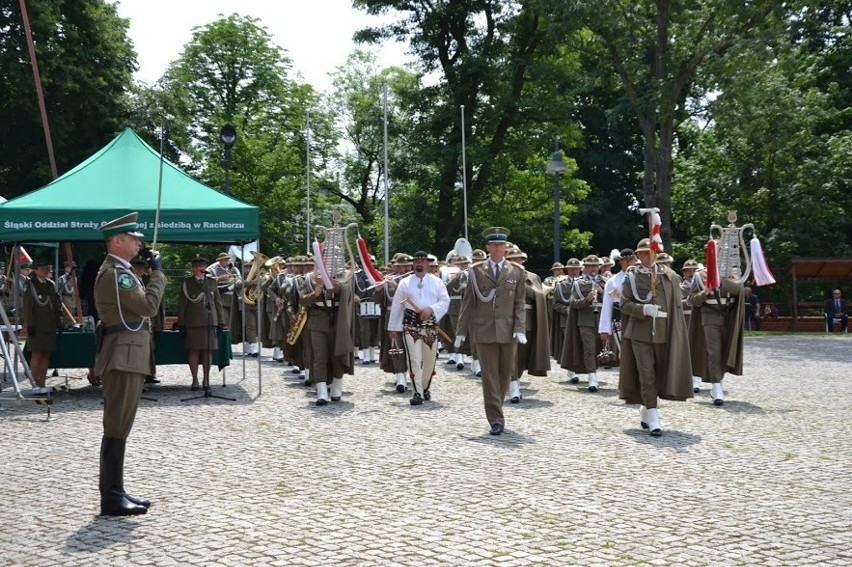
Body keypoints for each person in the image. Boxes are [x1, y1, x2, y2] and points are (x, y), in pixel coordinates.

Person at [93, 212, 166, 516]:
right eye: (133, 238)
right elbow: (148, 306)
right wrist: (159, 275)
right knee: (117, 424)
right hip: (123, 355)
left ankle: (117, 489)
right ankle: (110, 496)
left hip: (127, 353)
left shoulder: (120, 271)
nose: (139, 242)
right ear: (117, 241)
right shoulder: (116, 274)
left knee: (120, 425)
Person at [618, 238, 692, 437]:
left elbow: (677, 304)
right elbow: (623, 305)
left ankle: (646, 408)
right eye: (641, 253)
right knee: (646, 374)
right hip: (640, 332)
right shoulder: (631, 276)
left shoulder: (670, 276)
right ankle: (654, 415)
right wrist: (643, 309)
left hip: (664, 331)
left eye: (648, 252)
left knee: (659, 374)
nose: (645, 257)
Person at [456, 227, 526, 436]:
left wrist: (520, 328)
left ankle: (498, 406)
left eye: (501, 245)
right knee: (489, 376)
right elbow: (467, 303)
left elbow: (520, 303)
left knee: (505, 374)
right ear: (487, 247)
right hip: (484, 331)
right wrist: (461, 330)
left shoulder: (517, 272)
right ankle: (496, 418)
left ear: (506, 248)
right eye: (493, 245)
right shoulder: (475, 271)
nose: (497, 248)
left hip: (508, 331)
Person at [388, 251, 450, 405]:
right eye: (416, 261)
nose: (419, 264)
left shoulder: (437, 282)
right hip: (411, 327)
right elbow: (397, 306)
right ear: (413, 264)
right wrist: (393, 328)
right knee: (414, 360)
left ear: (428, 264)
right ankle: (417, 393)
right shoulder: (405, 283)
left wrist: (432, 309)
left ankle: (424, 387)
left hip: (430, 327)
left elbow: (445, 301)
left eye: (422, 261)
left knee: (430, 362)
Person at [299, 257, 355, 406]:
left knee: (338, 355)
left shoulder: (345, 277)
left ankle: (337, 386)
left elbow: (349, 295)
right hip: (318, 321)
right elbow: (302, 300)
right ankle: (322, 391)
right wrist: (316, 292)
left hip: (339, 322)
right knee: (320, 357)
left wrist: (335, 286)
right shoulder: (310, 278)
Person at [687, 270, 745, 406]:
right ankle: (716, 385)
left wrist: (724, 281)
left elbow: (742, 292)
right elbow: (692, 300)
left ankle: (718, 380)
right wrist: (706, 291)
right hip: (710, 316)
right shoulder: (700, 276)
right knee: (714, 351)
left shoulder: (733, 274)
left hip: (729, 316)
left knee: (725, 351)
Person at [506, 245, 549, 402]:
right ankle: (513, 386)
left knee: (522, 355)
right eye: (512, 259)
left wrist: (523, 284)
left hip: (527, 319)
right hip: (507, 320)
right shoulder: (501, 275)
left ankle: (516, 379)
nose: (516, 262)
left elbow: (539, 295)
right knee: (511, 354)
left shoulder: (532, 276)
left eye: (519, 259)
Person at [177, 257, 225, 391]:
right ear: (193, 268)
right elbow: (182, 304)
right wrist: (181, 323)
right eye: (197, 266)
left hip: (210, 322)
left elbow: (218, 303)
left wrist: (221, 321)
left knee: (207, 352)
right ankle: (195, 380)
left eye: (202, 265)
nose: (200, 268)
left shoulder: (211, 282)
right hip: (193, 322)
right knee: (193, 351)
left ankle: (206, 379)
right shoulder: (187, 283)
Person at [561, 255, 605, 392]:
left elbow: (613, 301)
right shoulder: (578, 283)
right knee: (589, 349)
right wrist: (587, 299)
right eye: (590, 266)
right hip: (585, 320)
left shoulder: (605, 281)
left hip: (602, 320)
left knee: (600, 349)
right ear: (585, 268)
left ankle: (594, 372)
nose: (593, 269)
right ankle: (592, 378)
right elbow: (573, 302)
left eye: (596, 266)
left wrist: (602, 292)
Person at [22, 258, 59, 392]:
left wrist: (58, 323)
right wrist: (30, 324)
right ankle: (35, 384)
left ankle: (42, 383)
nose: (46, 271)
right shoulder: (30, 285)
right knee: (36, 354)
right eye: (43, 268)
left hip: (49, 325)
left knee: (46, 354)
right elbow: (27, 306)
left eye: (47, 268)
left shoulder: (50, 284)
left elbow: (55, 306)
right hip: (37, 324)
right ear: (35, 270)